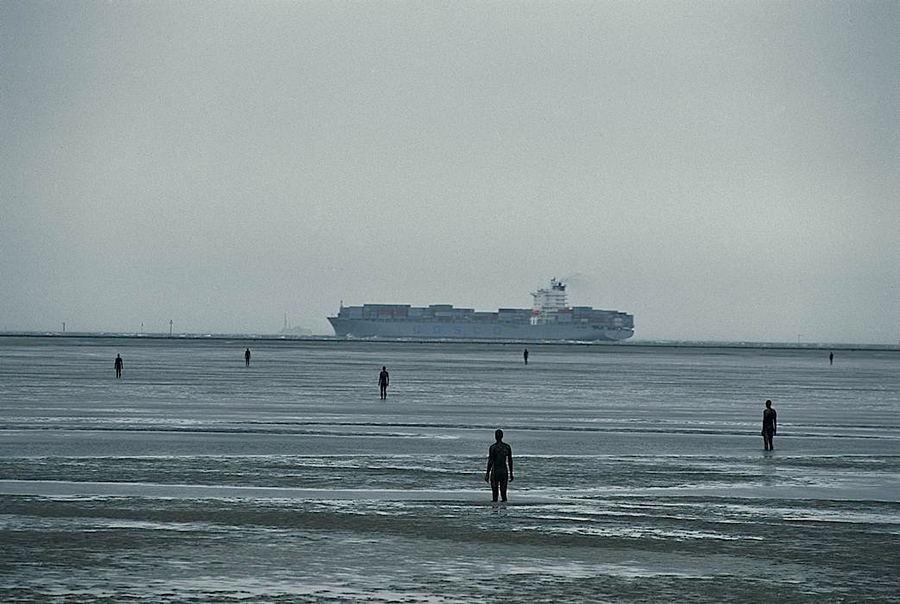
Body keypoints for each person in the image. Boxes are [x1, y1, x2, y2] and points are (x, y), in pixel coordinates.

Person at [485, 429, 514, 502]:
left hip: (495, 471)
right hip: (504, 470)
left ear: (495, 437)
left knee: (495, 493)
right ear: (502, 436)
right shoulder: (507, 447)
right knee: (503, 492)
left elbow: (490, 461)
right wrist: (511, 473)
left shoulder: (493, 447)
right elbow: (510, 461)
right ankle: (504, 510)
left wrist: (487, 473)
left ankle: (495, 510)